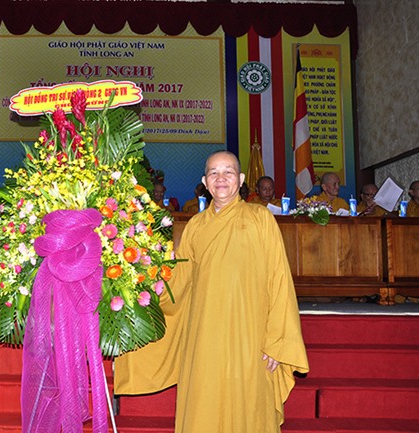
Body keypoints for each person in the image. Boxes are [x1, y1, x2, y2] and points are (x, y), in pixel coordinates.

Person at [114, 151, 309, 433]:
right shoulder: (196, 226)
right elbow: (178, 283)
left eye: (228, 172)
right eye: (214, 173)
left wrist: (277, 340)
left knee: (248, 405)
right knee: (204, 404)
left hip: (249, 334)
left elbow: (279, 279)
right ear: (205, 182)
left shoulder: (260, 218)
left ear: (240, 179)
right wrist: (135, 293)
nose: (221, 179)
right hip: (204, 336)